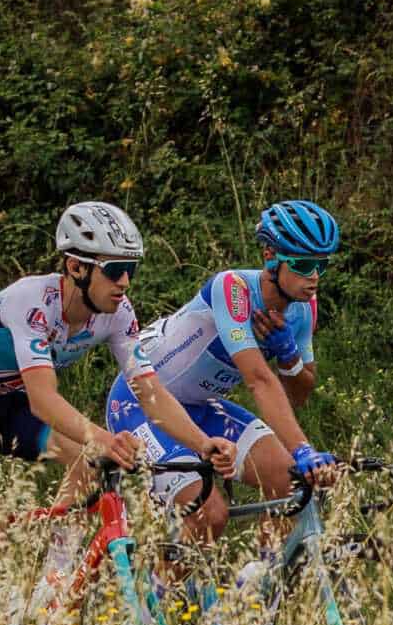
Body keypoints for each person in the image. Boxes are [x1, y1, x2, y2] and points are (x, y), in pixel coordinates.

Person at [0, 200, 233, 567]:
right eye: (115, 270)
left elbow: (151, 393)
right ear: (75, 267)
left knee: (89, 462)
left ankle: (53, 584)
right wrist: (107, 439)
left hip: (5, 403)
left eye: (131, 269)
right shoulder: (32, 301)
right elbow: (43, 400)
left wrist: (201, 443)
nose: (125, 282)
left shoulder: (118, 313)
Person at [104, 199, 342, 545]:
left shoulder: (304, 309)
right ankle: (158, 579)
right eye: (304, 264)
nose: (315, 277)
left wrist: (288, 354)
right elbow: (259, 381)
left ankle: (260, 577)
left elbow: (299, 394)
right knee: (209, 514)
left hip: (200, 407)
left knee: (289, 483)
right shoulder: (233, 288)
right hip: (141, 404)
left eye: (322, 265)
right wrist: (303, 449)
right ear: (270, 256)